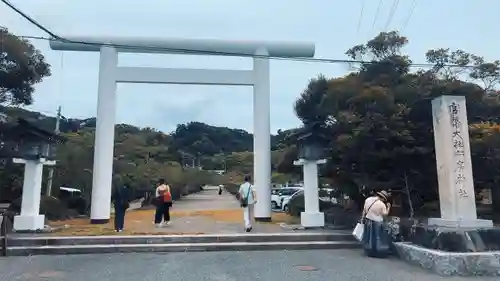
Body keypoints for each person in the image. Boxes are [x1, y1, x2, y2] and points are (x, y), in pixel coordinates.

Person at [361, 190, 392, 258]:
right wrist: (388, 207)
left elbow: (364, 210)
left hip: (368, 221)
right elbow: (385, 214)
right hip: (377, 222)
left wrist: (362, 219)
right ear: (383, 198)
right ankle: (377, 252)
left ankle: (369, 251)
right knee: (377, 237)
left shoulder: (368, 200)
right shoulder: (382, 204)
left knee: (368, 237)